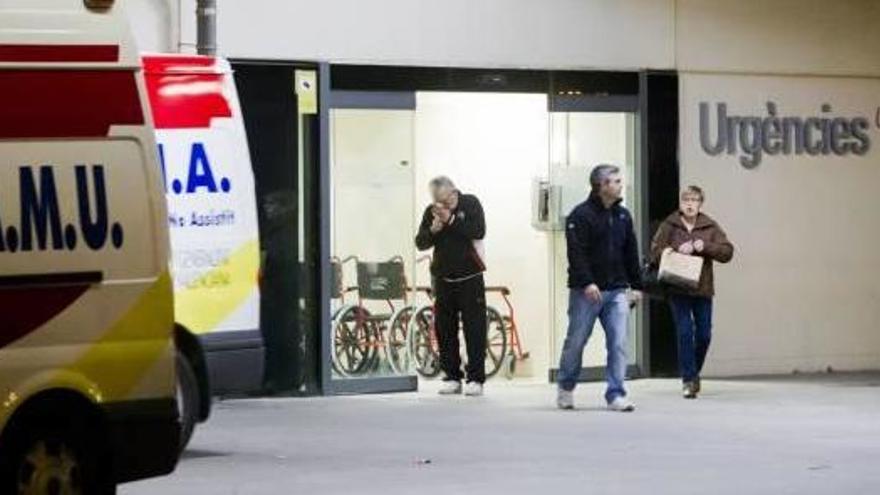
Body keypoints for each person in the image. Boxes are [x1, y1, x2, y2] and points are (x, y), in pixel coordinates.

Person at [557, 164, 642, 412]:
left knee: (618, 342)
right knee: (577, 341)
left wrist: (636, 285)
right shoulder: (580, 216)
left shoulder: (623, 216)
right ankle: (566, 386)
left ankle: (615, 393)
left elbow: (630, 252)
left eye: (619, 180)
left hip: (616, 290)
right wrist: (587, 282)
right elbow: (576, 253)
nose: (619, 184)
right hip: (587, 292)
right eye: (614, 181)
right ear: (601, 186)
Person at [651, 185, 734, 399]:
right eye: (686, 199)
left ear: (700, 204)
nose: (689, 203)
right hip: (677, 286)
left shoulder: (709, 226)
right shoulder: (670, 225)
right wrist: (674, 250)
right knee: (685, 332)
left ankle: (693, 372)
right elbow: (654, 252)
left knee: (704, 334)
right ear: (681, 203)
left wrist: (704, 246)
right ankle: (688, 379)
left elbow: (727, 252)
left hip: (702, 288)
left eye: (694, 200)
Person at [415, 176, 487, 397]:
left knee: (474, 329)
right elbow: (420, 242)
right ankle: (451, 376)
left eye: (445, 202)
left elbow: (478, 231)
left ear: (454, 193)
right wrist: (434, 230)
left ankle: (475, 378)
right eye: (437, 202)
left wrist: (452, 220)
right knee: (444, 330)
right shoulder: (431, 212)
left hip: (470, 277)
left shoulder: (470, 203)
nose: (441, 206)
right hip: (443, 279)